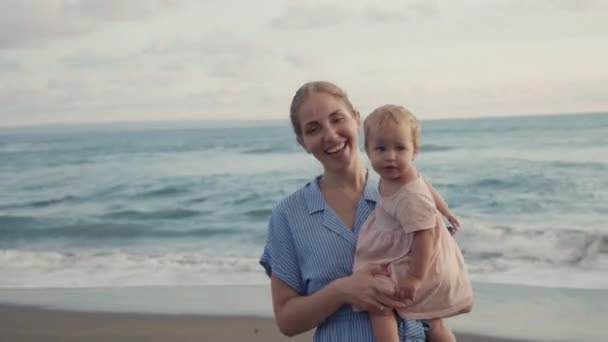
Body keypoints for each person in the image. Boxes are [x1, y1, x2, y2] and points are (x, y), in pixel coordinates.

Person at [259, 81, 427, 341]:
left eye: (337, 119)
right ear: (302, 142)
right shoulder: (288, 215)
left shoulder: (407, 196)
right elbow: (287, 320)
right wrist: (341, 291)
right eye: (313, 129)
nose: (330, 135)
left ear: (357, 120)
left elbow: (440, 282)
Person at [353, 104, 474, 342]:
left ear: (414, 151)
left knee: (378, 302)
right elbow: (426, 184)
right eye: (381, 148)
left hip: (417, 259)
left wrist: (414, 278)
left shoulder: (410, 196)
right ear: (367, 150)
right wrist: (445, 210)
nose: (390, 156)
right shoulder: (401, 176)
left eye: (400, 148)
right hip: (412, 249)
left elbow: (424, 237)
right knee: (434, 321)